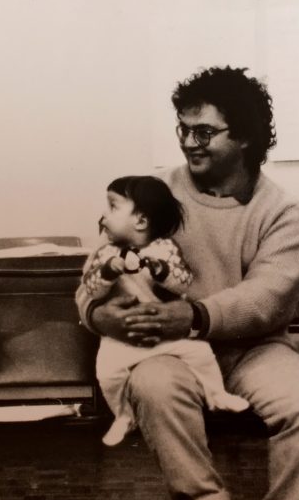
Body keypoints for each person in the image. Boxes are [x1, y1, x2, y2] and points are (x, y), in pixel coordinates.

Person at [76, 66, 299, 500]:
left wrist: (196, 315)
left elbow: (267, 298)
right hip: (166, 351)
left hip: (254, 350)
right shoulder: (150, 195)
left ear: (244, 137)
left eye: (204, 132)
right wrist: (98, 314)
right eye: (183, 128)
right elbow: (93, 275)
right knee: (153, 385)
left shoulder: (286, 213)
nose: (189, 142)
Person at [82, 175, 250, 447]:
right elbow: (91, 290)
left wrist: (159, 270)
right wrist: (109, 271)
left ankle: (216, 394)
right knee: (107, 372)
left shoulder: (164, 248)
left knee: (201, 354)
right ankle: (123, 415)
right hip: (123, 337)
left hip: (168, 335)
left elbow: (183, 281)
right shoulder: (105, 253)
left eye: (113, 207)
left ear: (141, 221)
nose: (103, 214)